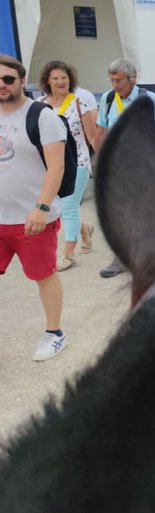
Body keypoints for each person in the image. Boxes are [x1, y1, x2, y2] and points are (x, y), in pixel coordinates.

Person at [0, 54, 68, 361]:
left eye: (8, 79)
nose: (1, 85)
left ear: (21, 81)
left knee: (43, 275)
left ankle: (55, 333)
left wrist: (41, 207)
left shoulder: (42, 116)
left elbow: (56, 168)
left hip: (32, 219)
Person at [95, 58, 155, 277]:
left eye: (119, 80)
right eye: (112, 80)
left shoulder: (147, 99)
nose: (115, 86)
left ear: (132, 78)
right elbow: (100, 131)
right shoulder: (109, 99)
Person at [38, 59, 100, 269]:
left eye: (63, 77)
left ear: (70, 80)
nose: (60, 82)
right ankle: (85, 228)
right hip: (50, 166)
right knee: (62, 207)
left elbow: (92, 136)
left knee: (69, 207)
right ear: (48, 81)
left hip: (78, 163)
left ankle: (68, 254)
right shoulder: (40, 105)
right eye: (55, 78)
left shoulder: (78, 103)